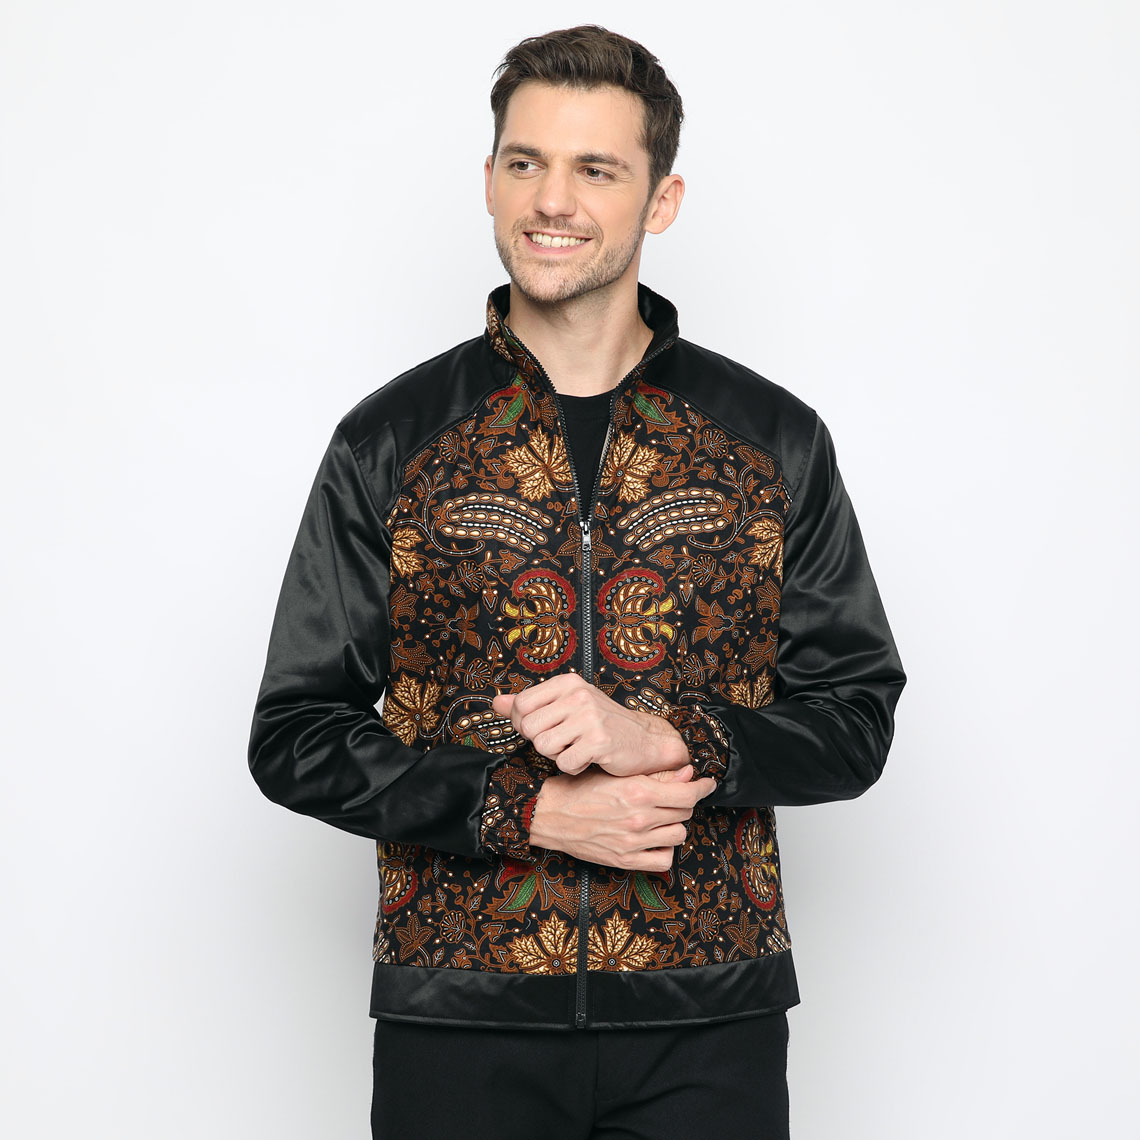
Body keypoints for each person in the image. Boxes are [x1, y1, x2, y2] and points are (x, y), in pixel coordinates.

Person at [249, 24, 904, 1140]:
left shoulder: (771, 442)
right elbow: (296, 734)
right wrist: (532, 810)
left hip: (710, 1018)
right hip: (459, 1013)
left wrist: (673, 739)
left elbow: (855, 720)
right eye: (526, 162)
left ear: (662, 200)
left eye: (596, 169)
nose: (551, 200)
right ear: (489, 180)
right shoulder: (390, 443)